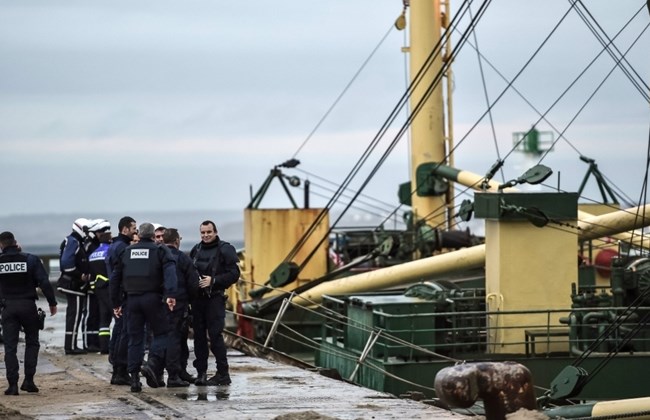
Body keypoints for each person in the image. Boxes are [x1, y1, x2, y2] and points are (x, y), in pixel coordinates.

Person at [109, 222, 177, 393]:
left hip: (131, 300)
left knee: (134, 338)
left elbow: (115, 279)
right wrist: (171, 295)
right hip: (153, 298)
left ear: (138, 235)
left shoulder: (126, 251)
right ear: (154, 236)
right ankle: (152, 364)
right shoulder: (160, 250)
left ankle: (134, 380)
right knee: (162, 333)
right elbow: (170, 272)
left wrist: (116, 303)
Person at [0, 231, 58, 395]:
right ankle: (29, 381)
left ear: (1, 245)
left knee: (10, 347)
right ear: (16, 243)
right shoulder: (30, 259)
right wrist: (52, 303)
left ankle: (12, 385)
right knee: (32, 342)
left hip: (8, 308)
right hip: (28, 306)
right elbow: (44, 282)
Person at [189, 220, 240, 386]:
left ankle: (223, 373)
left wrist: (214, 280)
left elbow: (234, 274)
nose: (206, 235)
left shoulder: (226, 249)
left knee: (215, 336)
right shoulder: (196, 249)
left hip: (215, 299)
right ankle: (201, 373)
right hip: (197, 301)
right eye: (203, 233)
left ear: (215, 232)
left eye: (209, 232)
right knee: (199, 338)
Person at [160, 228, 199, 387]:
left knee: (162, 339)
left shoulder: (158, 256)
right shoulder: (183, 258)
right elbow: (193, 284)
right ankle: (174, 375)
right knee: (176, 340)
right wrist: (190, 302)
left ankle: (169, 373)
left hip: (159, 304)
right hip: (178, 304)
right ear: (177, 241)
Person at [106, 216, 137, 385]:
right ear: (125, 229)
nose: (135, 231)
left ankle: (118, 370)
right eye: (133, 228)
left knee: (119, 333)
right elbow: (121, 275)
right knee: (124, 334)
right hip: (123, 296)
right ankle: (120, 371)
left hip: (117, 295)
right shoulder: (122, 248)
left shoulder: (115, 245)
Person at [57, 218, 92, 355]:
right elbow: (66, 264)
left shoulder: (74, 241)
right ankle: (70, 346)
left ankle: (71, 345)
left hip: (74, 285)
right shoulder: (73, 242)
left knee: (74, 315)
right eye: (86, 230)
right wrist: (80, 276)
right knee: (74, 315)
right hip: (73, 285)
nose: (87, 233)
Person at [86, 219, 113, 354]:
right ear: (109, 240)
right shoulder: (110, 252)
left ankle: (104, 347)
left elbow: (91, 275)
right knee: (118, 317)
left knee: (104, 320)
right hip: (109, 287)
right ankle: (117, 346)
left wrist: (94, 288)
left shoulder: (92, 254)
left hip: (98, 289)